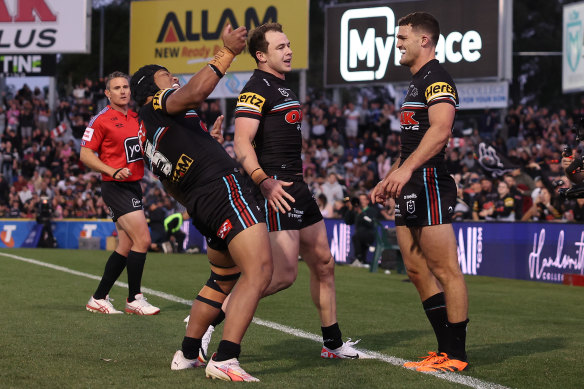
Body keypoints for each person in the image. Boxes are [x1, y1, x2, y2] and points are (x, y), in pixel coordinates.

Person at [130, 24, 272, 382]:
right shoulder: (159, 104)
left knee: (222, 278)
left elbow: (172, 180)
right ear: (151, 89)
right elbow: (193, 94)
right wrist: (226, 52)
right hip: (221, 190)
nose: (174, 78)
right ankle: (226, 358)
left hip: (200, 202)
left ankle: (188, 352)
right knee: (259, 271)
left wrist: (206, 144)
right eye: (166, 76)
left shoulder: (146, 133)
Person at [231, 22, 364, 359]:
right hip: (275, 187)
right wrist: (264, 181)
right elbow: (241, 142)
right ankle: (204, 318)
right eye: (280, 47)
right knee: (280, 275)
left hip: (297, 185)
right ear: (261, 55)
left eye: (289, 45)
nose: (289, 51)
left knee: (324, 262)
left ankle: (332, 344)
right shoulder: (255, 88)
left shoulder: (282, 86)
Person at [371, 12, 469, 372]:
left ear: (424, 40)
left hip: (429, 182)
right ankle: (443, 351)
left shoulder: (438, 78)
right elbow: (409, 141)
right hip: (410, 181)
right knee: (414, 269)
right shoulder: (416, 82)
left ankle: (457, 355)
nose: (397, 44)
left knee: (446, 270)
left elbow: (441, 130)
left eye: (402, 38)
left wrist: (408, 170)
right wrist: (390, 177)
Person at [81, 71, 159, 316]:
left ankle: (99, 297)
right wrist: (112, 171)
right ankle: (134, 298)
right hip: (114, 186)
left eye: (125, 87)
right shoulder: (101, 119)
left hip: (134, 185)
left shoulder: (137, 117)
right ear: (107, 93)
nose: (123, 91)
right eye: (117, 88)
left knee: (126, 244)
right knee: (143, 240)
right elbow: (85, 155)